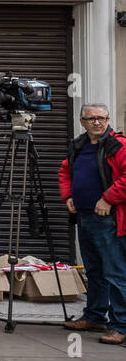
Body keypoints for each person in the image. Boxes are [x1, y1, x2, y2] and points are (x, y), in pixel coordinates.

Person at [58, 102, 126, 346]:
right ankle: (95, 316)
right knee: (95, 272)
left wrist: (109, 198)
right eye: (91, 118)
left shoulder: (118, 146)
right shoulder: (79, 146)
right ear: (82, 122)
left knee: (116, 274)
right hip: (85, 218)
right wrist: (68, 197)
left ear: (107, 120)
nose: (97, 122)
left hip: (109, 220)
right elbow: (65, 172)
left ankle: (120, 326)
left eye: (102, 118)